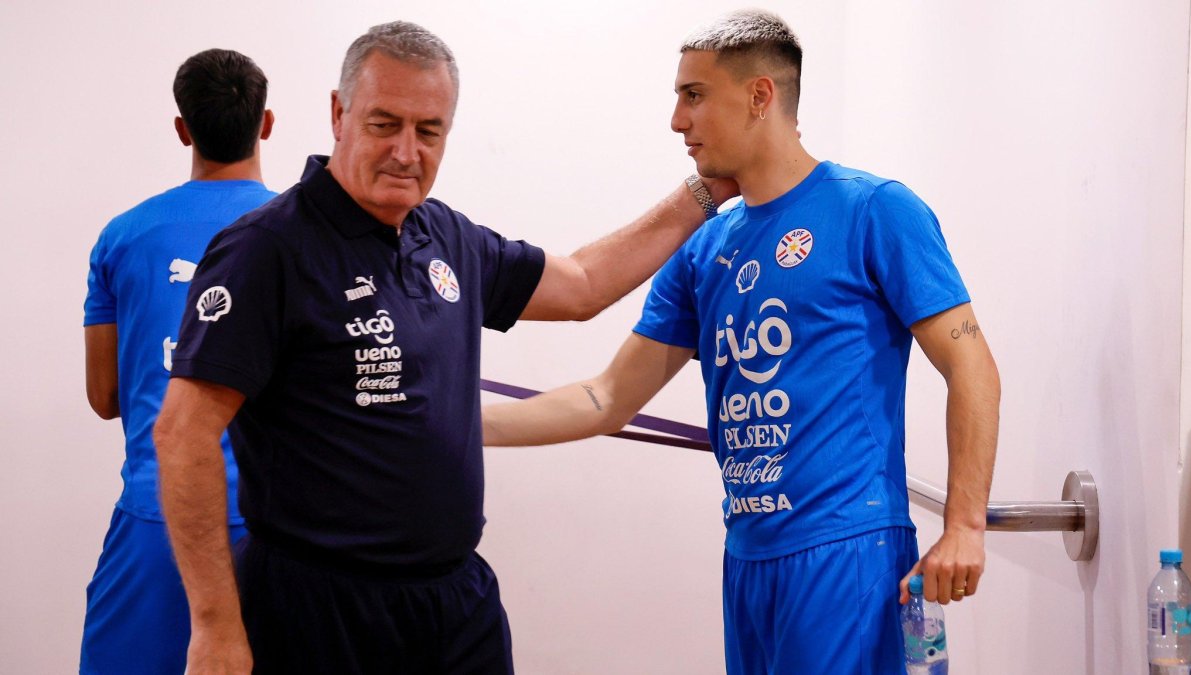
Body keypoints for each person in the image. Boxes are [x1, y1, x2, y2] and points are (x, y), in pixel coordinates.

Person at [153, 20, 737, 675]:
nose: (407, 151)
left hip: (452, 604)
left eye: (429, 131)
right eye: (385, 124)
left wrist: (705, 191)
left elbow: (581, 285)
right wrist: (214, 626)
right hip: (317, 609)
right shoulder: (266, 249)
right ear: (339, 114)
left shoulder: (446, 237)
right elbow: (183, 434)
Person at [483, 10, 1001, 674]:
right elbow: (607, 397)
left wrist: (965, 526)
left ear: (760, 96)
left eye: (693, 95)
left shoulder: (875, 210)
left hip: (848, 556)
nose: (677, 120)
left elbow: (973, 366)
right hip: (748, 559)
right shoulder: (704, 248)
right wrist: (462, 427)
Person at [80, 49, 275, 674]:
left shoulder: (123, 236)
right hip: (277, 529)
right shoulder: (304, 233)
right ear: (265, 124)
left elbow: (105, 397)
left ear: (182, 129)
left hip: (159, 521)